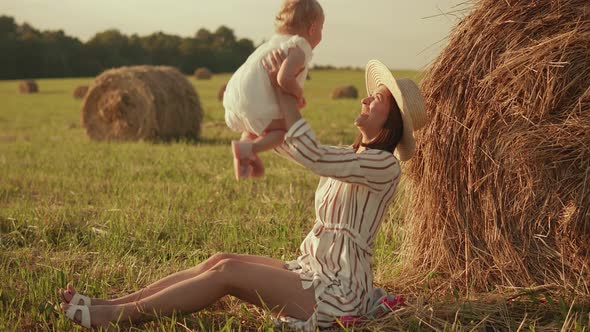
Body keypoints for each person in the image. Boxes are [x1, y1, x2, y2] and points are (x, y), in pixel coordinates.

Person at [58, 57, 429, 331]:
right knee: (221, 258)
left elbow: (314, 156)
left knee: (228, 274)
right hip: (310, 267)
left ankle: (118, 318)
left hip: (339, 289)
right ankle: (113, 304)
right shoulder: (353, 155)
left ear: (392, 118)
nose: (365, 101)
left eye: (375, 99)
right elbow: (308, 153)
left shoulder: (385, 166)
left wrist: (285, 91)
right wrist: (255, 138)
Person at [223, 0, 324, 180]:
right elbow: (283, 78)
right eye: (322, 29)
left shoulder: (273, 44)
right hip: (254, 103)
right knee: (283, 132)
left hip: (236, 99)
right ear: (313, 29)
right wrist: (298, 94)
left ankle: (244, 153)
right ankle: (251, 149)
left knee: (254, 130)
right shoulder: (299, 48)